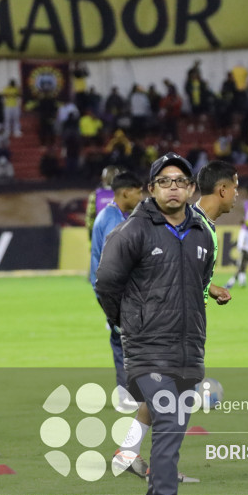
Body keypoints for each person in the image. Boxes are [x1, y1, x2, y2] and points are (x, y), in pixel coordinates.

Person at [95, 153, 214, 495]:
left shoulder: (201, 233)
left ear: (192, 188)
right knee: (170, 422)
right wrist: (128, 325)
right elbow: (107, 284)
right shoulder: (132, 232)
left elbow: (201, 281)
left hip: (189, 348)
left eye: (180, 180)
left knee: (171, 428)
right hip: (147, 348)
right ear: (151, 189)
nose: (173, 186)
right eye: (164, 181)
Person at [111, 161, 238, 482]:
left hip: (179, 328)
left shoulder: (200, 226)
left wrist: (210, 288)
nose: (237, 195)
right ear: (222, 190)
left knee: (162, 398)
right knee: (176, 396)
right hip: (165, 331)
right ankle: (162, 471)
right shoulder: (190, 225)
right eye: (235, 187)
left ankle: (127, 453)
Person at [89, 170, 144, 398]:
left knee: (125, 337)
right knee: (125, 339)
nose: (141, 197)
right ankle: (126, 395)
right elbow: (114, 260)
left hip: (113, 289)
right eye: (138, 192)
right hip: (113, 290)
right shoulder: (111, 220)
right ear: (125, 193)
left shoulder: (116, 216)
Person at [85, 165, 119, 241]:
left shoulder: (95, 195)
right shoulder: (124, 194)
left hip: (101, 239)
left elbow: (90, 219)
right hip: (120, 240)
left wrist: (92, 239)